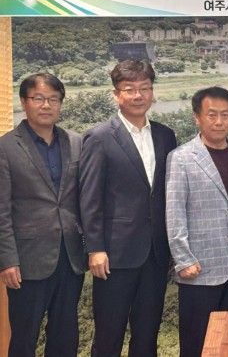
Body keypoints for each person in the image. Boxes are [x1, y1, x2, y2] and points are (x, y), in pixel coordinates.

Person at [79, 60, 177, 357]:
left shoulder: (165, 135)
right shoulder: (99, 137)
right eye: (130, 89)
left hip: (155, 254)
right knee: (109, 336)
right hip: (115, 255)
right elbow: (89, 198)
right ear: (116, 94)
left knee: (147, 335)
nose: (138, 95)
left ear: (152, 92)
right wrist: (95, 248)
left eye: (144, 88)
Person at [166, 87, 228, 357]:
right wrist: (183, 259)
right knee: (197, 344)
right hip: (197, 268)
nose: (219, 121)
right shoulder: (181, 157)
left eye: (225, 114)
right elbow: (174, 211)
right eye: (211, 115)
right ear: (197, 117)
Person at [0, 73, 85, 357]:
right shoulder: (6, 147)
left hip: (70, 257)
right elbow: (2, 210)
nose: (46, 105)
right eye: (38, 98)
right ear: (24, 102)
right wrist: (7, 260)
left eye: (53, 99)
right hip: (27, 261)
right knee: (25, 337)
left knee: (65, 335)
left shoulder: (76, 142)